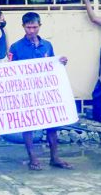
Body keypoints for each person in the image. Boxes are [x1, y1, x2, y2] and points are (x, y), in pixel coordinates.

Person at [9, 12, 72, 171]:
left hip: (45, 91)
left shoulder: (47, 45)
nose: (31, 31)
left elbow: (52, 65)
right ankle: (33, 158)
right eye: (28, 27)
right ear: (23, 26)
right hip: (26, 91)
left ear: (40, 26)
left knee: (52, 124)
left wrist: (60, 62)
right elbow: (9, 70)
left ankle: (54, 157)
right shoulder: (15, 47)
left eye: (34, 27)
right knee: (28, 125)